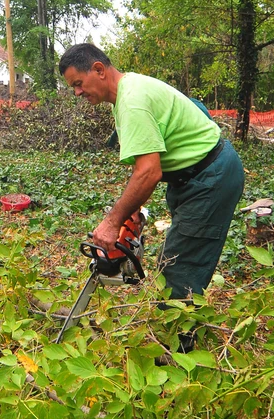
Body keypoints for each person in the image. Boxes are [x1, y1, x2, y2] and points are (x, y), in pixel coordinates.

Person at [58, 43, 244, 345]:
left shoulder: (132, 101)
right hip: (192, 176)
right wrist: (132, 209)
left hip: (210, 178)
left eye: (78, 83)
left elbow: (148, 172)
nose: (77, 92)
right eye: (73, 87)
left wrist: (112, 222)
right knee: (175, 258)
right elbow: (149, 157)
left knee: (179, 269)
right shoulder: (129, 91)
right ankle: (177, 333)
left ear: (99, 70)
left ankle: (178, 352)